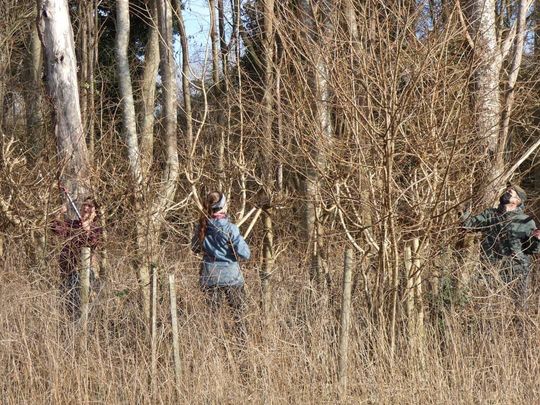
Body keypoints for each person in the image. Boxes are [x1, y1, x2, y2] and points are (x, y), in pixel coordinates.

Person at [461, 185, 540, 307]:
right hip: (492, 267)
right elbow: (469, 225)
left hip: (517, 269)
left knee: (518, 306)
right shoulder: (490, 214)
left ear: (517, 201)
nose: (506, 192)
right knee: (490, 306)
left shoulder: (526, 221)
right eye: (507, 191)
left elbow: (532, 250)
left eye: (510, 192)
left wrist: (536, 239)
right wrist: (461, 210)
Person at [191, 191, 251, 340]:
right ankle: (241, 349)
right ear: (223, 206)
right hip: (232, 278)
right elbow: (245, 254)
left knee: (213, 319)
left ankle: (215, 348)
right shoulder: (231, 228)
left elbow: (195, 248)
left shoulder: (202, 226)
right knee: (239, 318)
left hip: (210, 277)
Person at [52, 197, 102, 318]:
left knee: (82, 307)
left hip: (83, 272)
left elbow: (93, 243)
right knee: (66, 306)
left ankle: (82, 333)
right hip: (67, 271)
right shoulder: (73, 225)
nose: (85, 208)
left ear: (95, 211)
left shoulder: (97, 229)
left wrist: (88, 229)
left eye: (90, 206)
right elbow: (56, 229)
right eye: (84, 205)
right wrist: (59, 214)